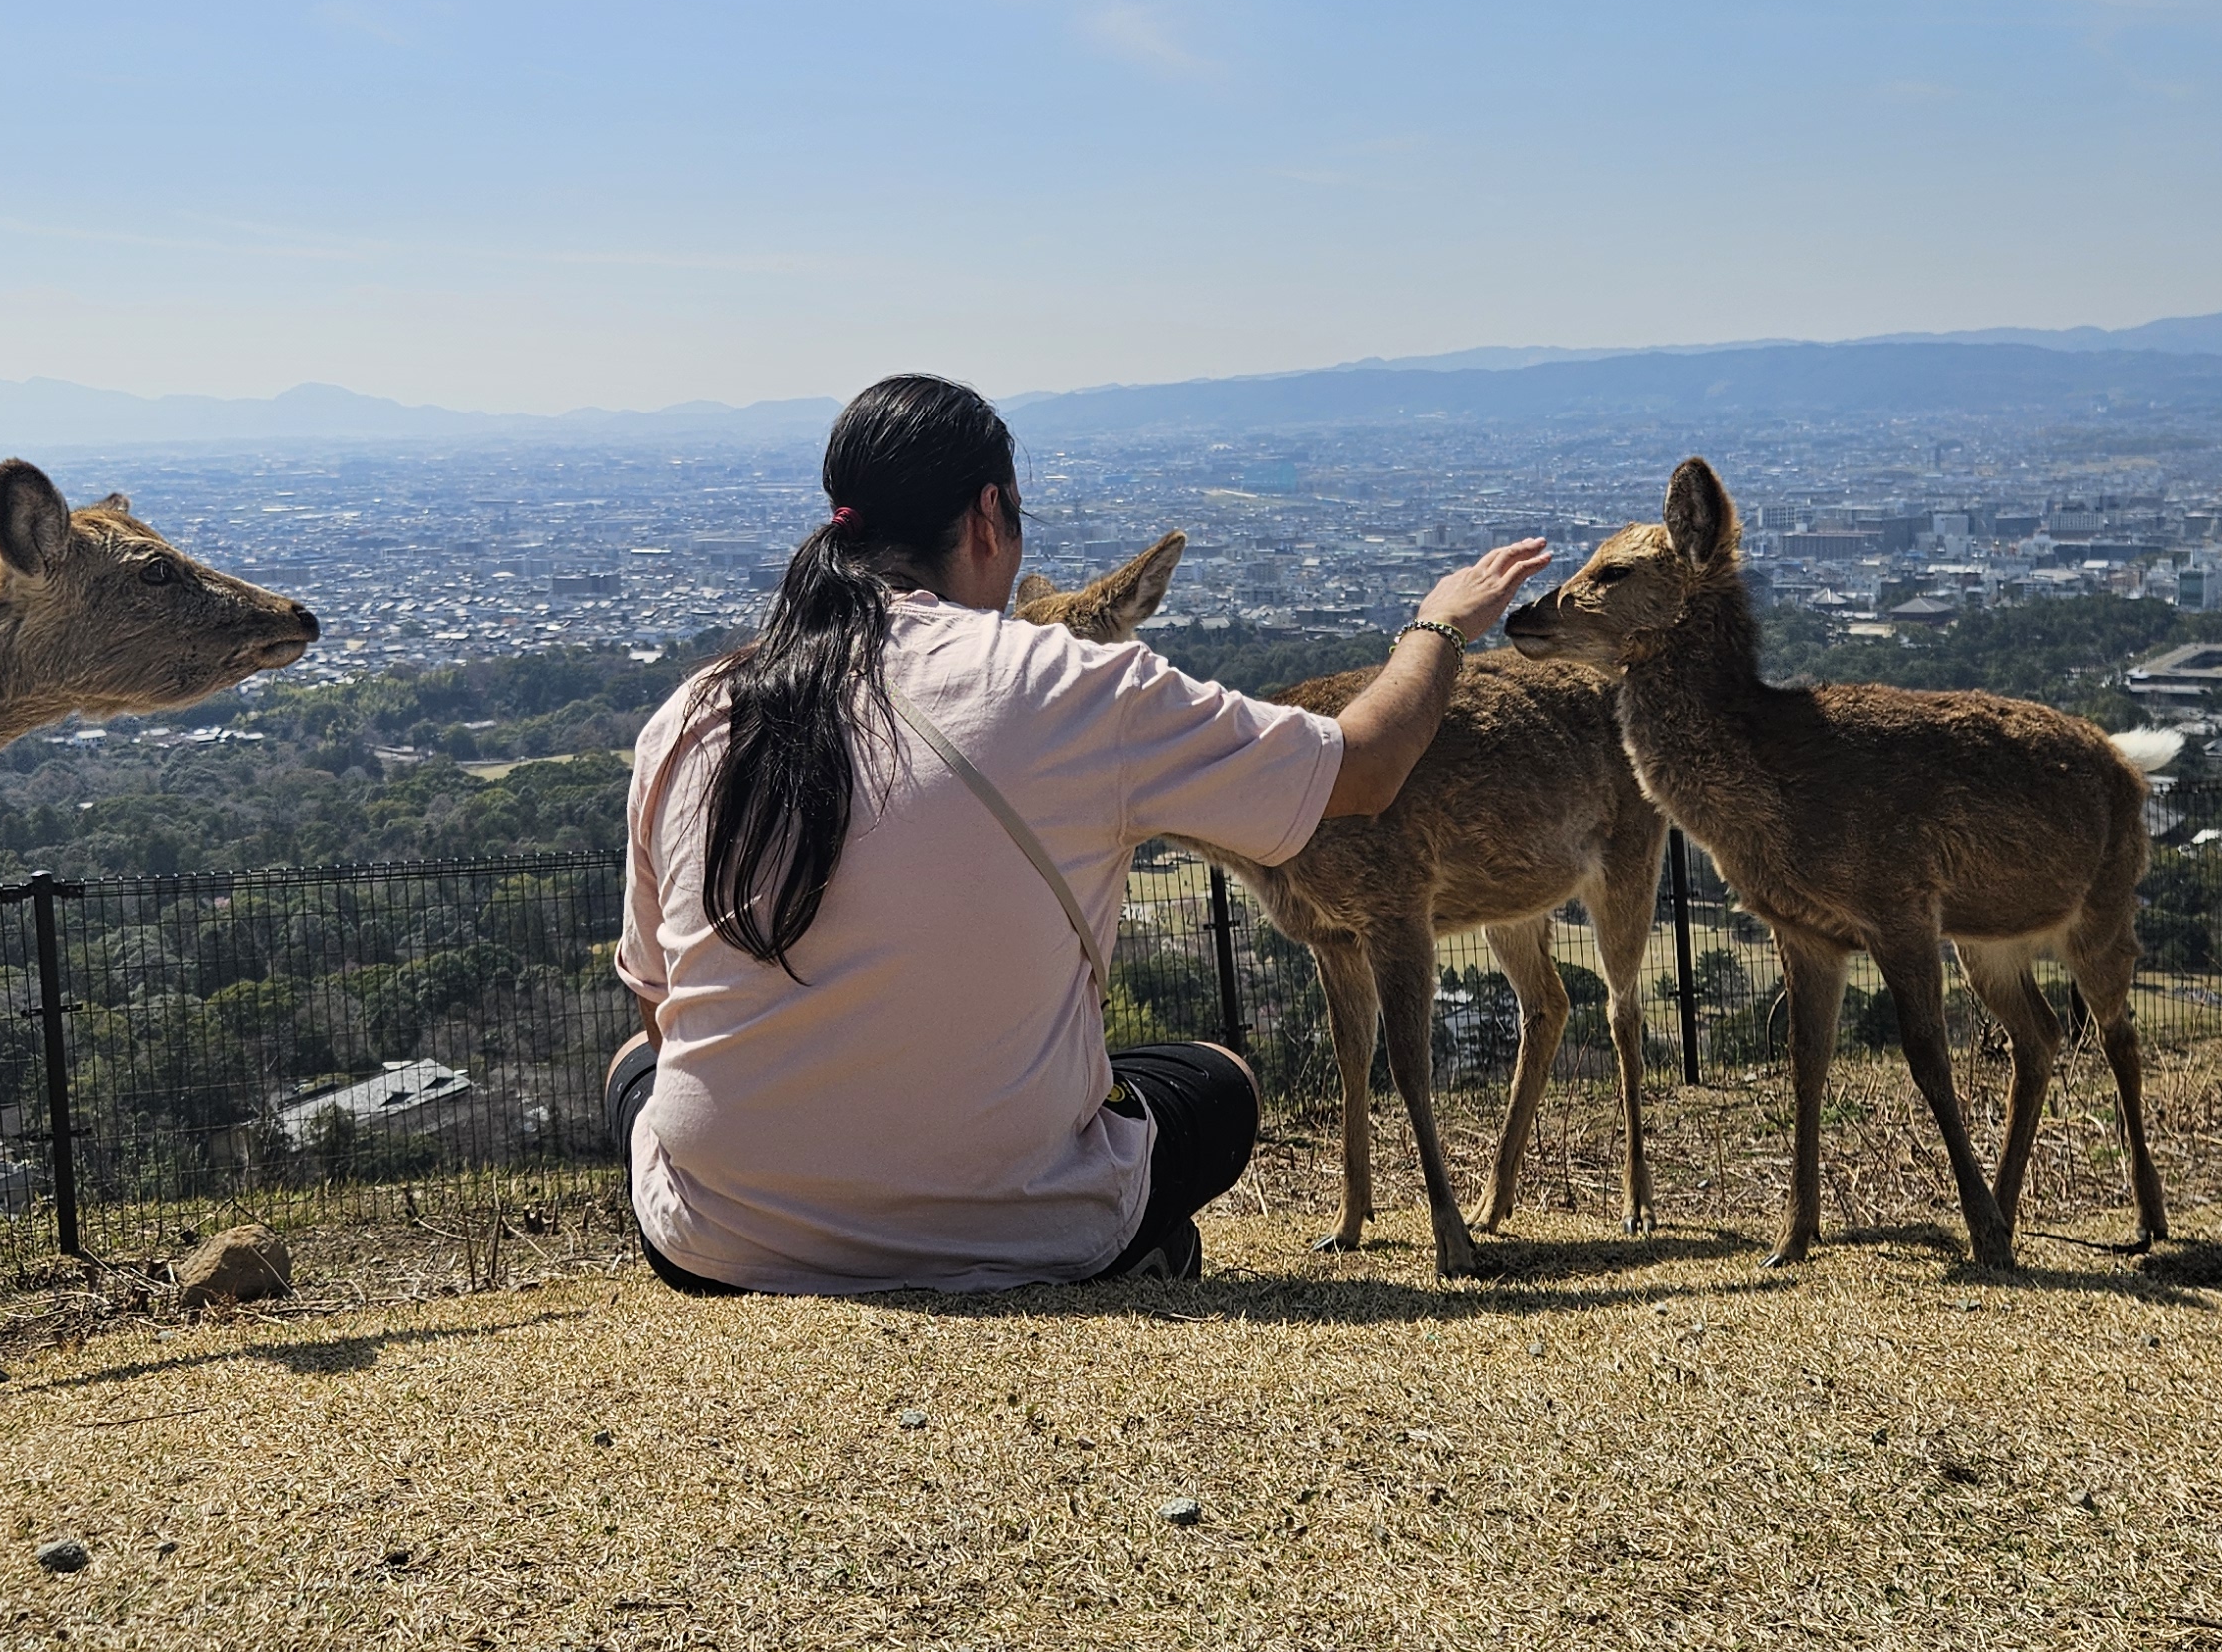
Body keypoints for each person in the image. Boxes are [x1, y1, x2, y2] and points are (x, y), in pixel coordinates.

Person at [609, 372, 1551, 1295]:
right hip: (1024, 1221)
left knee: (633, 1067)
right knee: (1217, 1080)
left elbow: (662, 1010)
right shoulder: (1072, 686)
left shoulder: (686, 717)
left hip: (719, 1236)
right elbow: (1369, 766)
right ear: (987, 518)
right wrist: (1441, 625)